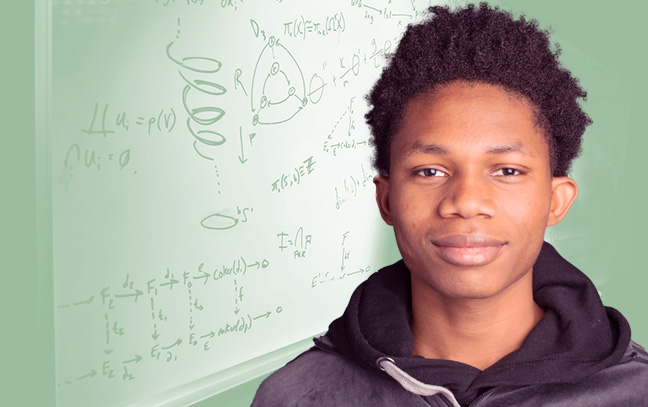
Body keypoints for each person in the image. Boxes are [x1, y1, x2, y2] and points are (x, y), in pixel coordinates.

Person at [251, 3, 648, 406]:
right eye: (430, 171)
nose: (467, 202)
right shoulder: (296, 395)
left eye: (507, 171)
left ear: (555, 200)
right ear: (386, 200)